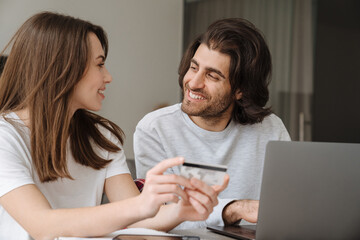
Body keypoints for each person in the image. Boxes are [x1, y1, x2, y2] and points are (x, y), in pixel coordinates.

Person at [0, 12, 229, 240]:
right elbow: (42, 226)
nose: (108, 77)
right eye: (99, 65)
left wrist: (180, 211)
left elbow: (141, 220)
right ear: (62, 69)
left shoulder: (101, 137)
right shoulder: (5, 136)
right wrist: (141, 205)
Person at [134, 18, 291, 228]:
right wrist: (233, 208)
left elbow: (288, 206)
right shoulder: (155, 128)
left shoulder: (271, 129)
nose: (194, 83)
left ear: (240, 90)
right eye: (193, 67)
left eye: (212, 76)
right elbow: (159, 218)